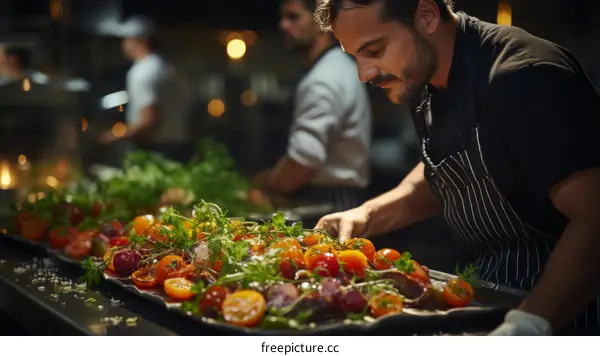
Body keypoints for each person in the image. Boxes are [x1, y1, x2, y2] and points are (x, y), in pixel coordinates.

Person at [312, 0, 600, 335]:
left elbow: (594, 213)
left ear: (427, 15)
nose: (364, 74)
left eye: (374, 50)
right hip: (494, 300)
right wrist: (366, 215)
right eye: (355, 57)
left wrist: (530, 325)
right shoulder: (423, 79)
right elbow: (450, 170)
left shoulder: (525, 77)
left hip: (566, 317)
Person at [253, 0, 373, 212]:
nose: (283, 25)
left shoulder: (323, 78)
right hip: (340, 196)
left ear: (320, 22)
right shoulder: (339, 65)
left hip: (328, 201)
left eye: (293, 17)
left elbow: (304, 160)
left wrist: (266, 183)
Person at [100, 15, 189, 162]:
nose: (123, 45)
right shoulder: (168, 68)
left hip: (153, 150)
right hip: (178, 148)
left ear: (139, 41)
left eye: (126, 39)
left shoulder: (142, 71)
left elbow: (149, 121)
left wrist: (114, 137)